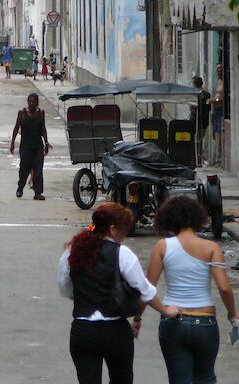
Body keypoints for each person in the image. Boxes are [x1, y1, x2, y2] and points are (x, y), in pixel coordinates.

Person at [57, 203, 181, 384]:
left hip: (83, 329)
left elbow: (65, 287)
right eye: (124, 230)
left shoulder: (73, 251)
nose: (124, 235)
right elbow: (144, 290)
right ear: (113, 229)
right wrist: (166, 311)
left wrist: (85, 297)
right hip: (114, 330)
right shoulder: (122, 253)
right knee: (122, 379)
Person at [143, 197, 238, 384]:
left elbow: (147, 288)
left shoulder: (162, 246)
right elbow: (225, 288)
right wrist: (232, 314)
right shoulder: (211, 248)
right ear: (197, 218)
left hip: (173, 322)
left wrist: (137, 318)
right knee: (206, 378)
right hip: (205, 322)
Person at [10, 93, 50, 200]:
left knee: (38, 170)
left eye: (34, 101)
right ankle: (20, 188)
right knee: (24, 169)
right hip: (25, 147)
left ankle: (38, 193)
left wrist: (46, 142)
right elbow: (16, 127)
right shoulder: (22, 113)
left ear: (37, 103)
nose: (31, 103)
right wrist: (12, 142)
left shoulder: (41, 113)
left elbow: (43, 129)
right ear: (27, 102)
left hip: (38, 147)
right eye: (30, 101)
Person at [190, 76, 211, 166]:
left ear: (195, 84)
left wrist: (195, 111)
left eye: (192, 84)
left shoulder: (202, 95)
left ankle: (197, 159)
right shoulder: (205, 94)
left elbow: (193, 108)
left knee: (197, 140)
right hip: (198, 121)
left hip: (199, 121)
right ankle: (196, 159)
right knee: (198, 141)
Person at [207, 63, 224, 164]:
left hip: (221, 108)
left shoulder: (225, 81)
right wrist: (212, 100)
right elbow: (217, 95)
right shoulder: (219, 81)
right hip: (216, 109)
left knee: (220, 131)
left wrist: (214, 100)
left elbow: (222, 97)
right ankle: (218, 154)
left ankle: (220, 155)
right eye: (217, 68)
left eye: (220, 68)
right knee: (216, 131)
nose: (218, 70)